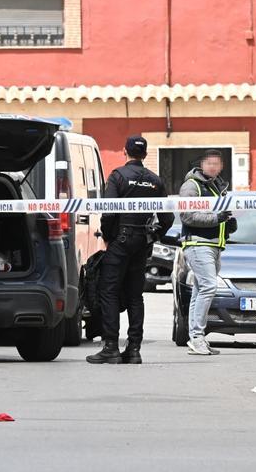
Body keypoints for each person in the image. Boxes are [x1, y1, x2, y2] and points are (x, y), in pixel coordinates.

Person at [86, 136, 174, 365]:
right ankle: (134, 349)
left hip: (120, 241)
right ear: (144, 155)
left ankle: (111, 347)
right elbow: (167, 216)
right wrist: (154, 236)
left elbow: (109, 211)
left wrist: (107, 237)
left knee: (109, 291)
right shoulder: (156, 181)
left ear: (125, 151)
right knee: (136, 296)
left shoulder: (118, 176)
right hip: (141, 243)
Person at [179, 149, 237, 356]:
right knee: (209, 287)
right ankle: (197, 337)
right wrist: (217, 219)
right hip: (198, 244)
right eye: (209, 163)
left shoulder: (217, 187)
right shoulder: (192, 185)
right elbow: (187, 216)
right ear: (201, 165)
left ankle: (196, 338)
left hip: (214, 245)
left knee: (199, 291)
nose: (213, 167)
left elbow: (217, 215)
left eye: (217, 163)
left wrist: (228, 225)